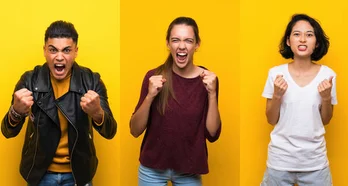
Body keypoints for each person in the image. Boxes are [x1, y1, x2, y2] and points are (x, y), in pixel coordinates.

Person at [1, 20, 117, 186]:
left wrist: (97, 113)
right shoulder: (29, 80)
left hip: (78, 174)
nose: (59, 57)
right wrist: (16, 111)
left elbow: (110, 131)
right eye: (53, 50)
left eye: (67, 50)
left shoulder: (91, 81)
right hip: (40, 174)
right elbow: (7, 131)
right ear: (45, 51)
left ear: (76, 51)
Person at [129, 16, 221, 186]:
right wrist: (150, 96)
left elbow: (213, 134)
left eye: (188, 40)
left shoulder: (207, 80)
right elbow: (135, 130)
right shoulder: (154, 77)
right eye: (175, 40)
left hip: (189, 171)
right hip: (152, 170)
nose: (181, 46)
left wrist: (213, 94)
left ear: (197, 45)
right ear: (168, 44)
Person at [260, 14, 336, 186]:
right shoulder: (275, 73)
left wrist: (325, 98)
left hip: (315, 163)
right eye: (296, 34)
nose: (302, 39)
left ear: (316, 43)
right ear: (288, 41)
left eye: (309, 35)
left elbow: (326, 120)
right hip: (280, 162)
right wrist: (277, 95)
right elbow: (271, 119)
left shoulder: (328, 75)